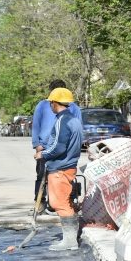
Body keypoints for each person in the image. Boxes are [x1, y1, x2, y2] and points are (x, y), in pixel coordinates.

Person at [34, 88, 83, 251]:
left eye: (50, 103)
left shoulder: (63, 121)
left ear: (54, 103)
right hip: (67, 166)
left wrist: (43, 154)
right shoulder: (74, 119)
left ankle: (70, 241)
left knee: (59, 202)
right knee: (63, 201)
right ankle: (70, 238)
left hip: (61, 167)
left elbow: (58, 147)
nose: (50, 106)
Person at [31, 79, 82, 209]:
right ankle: (40, 200)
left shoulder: (73, 108)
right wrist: (37, 144)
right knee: (42, 175)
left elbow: (78, 128)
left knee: (63, 177)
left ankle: (65, 202)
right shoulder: (43, 105)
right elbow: (36, 125)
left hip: (62, 149)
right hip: (44, 146)